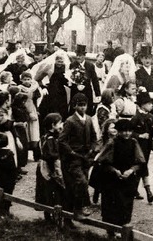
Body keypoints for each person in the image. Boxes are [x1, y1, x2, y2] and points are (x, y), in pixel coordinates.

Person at [95, 118, 145, 239]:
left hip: (128, 179)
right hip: (112, 180)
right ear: (118, 131)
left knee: (126, 205)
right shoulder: (112, 143)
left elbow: (141, 162)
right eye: (123, 131)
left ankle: (123, 230)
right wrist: (115, 171)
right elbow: (103, 162)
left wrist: (131, 170)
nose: (126, 133)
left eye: (129, 131)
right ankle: (111, 231)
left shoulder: (134, 143)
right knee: (112, 204)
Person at [59, 93, 97, 224]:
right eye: (80, 105)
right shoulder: (70, 121)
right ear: (74, 106)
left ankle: (75, 211)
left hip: (86, 157)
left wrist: (92, 149)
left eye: (84, 105)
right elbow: (62, 140)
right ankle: (78, 209)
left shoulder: (89, 119)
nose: (82, 108)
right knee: (80, 182)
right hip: (74, 158)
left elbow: (94, 137)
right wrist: (71, 152)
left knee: (82, 183)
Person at [35, 113, 65, 222]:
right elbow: (52, 155)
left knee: (49, 191)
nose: (62, 125)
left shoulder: (46, 137)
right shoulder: (50, 139)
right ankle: (51, 216)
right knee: (51, 190)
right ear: (53, 125)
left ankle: (50, 215)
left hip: (47, 165)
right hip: (49, 167)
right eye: (60, 123)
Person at [131, 91, 153, 202]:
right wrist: (140, 135)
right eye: (149, 103)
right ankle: (148, 191)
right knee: (141, 166)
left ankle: (135, 190)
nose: (151, 105)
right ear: (142, 105)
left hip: (147, 146)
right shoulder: (136, 117)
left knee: (142, 166)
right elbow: (130, 132)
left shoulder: (151, 116)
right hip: (138, 146)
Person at [0, 109, 21, 184]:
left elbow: (13, 129)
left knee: (10, 155)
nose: (0, 120)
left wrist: (17, 139)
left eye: (1, 117)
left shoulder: (8, 123)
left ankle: (11, 176)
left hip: (8, 137)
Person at [69, 45, 101, 115]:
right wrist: (74, 85)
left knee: (87, 111)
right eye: (77, 55)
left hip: (87, 92)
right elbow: (70, 79)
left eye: (80, 55)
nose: (78, 57)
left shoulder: (90, 66)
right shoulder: (72, 65)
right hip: (75, 92)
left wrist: (98, 94)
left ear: (84, 56)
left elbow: (95, 80)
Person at [0, 133, 18, 214]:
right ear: (7, 142)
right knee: (9, 193)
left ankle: (1, 206)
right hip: (9, 179)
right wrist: (15, 176)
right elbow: (13, 167)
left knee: (1, 192)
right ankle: (6, 209)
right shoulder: (9, 154)